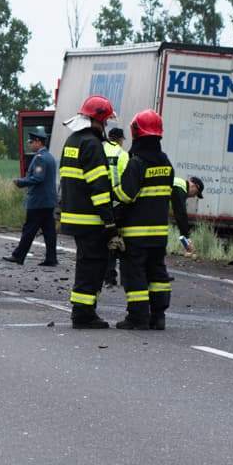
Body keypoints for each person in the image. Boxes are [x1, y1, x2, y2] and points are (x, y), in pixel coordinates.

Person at [59, 95, 119, 329]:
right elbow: (99, 187)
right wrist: (109, 221)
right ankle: (83, 314)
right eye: (105, 121)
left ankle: (82, 310)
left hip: (74, 215)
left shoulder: (72, 141)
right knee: (93, 265)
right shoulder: (92, 144)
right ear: (96, 119)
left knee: (86, 263)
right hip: (90, 218)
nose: (106, 126)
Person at [113, 109, 175, 330]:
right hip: (159, 234)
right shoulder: (166, 163)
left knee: (135, 273)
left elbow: (126, 195)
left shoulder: (137, 162)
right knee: (157, 273)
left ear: (137, 133)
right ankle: (158, 317)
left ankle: (137, 318)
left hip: (136, 233)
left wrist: (112, 193)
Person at [2, 126, 58, 266]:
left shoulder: (40, 159)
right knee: (49, 231)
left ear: (38, 142)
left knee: (29, 229)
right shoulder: (49, 157)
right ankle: (51, 258)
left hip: (38, 201)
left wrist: (21, 182)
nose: (29, 144)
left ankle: (19, 256)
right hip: (48, 200)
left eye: (31, 142)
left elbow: (37, 178)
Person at [102, 126, 130, 287]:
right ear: (120, 140)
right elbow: (127, 179)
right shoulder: (122, 154)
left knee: (101, 240)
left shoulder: (99, 149)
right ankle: (110, 276)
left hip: (99, 202)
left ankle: (101, 274)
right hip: (117, 203)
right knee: (115, 240)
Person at [171, 175, 204, 254]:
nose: (193, 196)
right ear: (193, 185)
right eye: (196, 193)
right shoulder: (179, 188)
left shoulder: (178, 184)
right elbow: (181, 214)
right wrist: (186, 237)